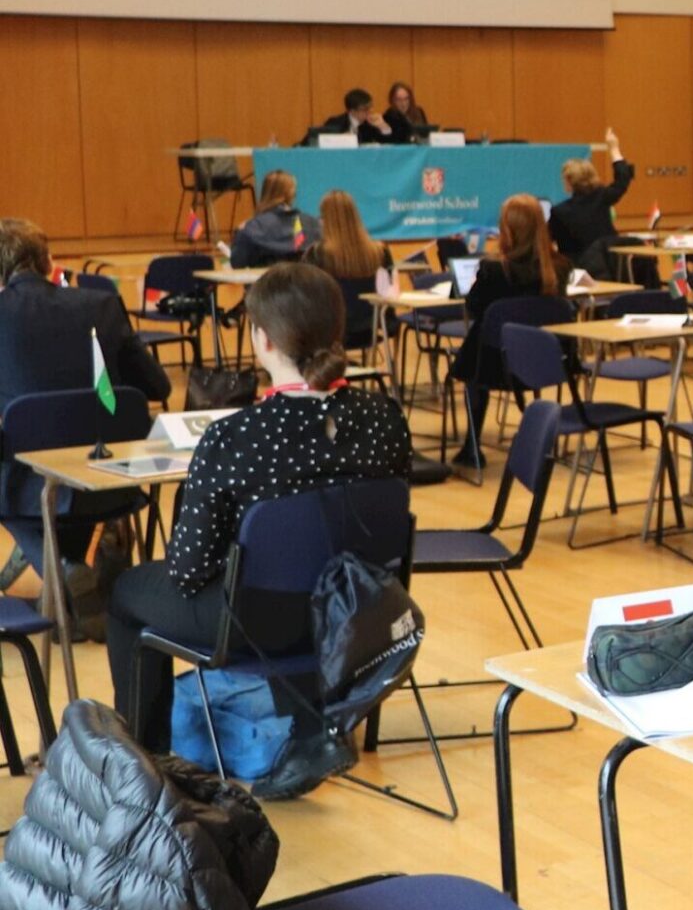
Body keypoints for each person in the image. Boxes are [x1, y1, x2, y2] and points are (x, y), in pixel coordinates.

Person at [105, 263, 411, 797]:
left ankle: (146, 765)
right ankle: (307, 730)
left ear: (262, 338)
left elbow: (188, 570)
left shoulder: (234, 436)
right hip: (356, 616)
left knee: (128, 593)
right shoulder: (385, 417)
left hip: (259, 626)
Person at [0, 219, 172, 597]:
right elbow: (158, 386)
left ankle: (61, 563)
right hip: (111, 479)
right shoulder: (102, 304)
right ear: (48, 261)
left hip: (26, 485)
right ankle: (79, 571)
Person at [451, 193, 562, 469]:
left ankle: (472, 444)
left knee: (477, 343)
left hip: (494, 366)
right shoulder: (558, 268)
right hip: (545, 363)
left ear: (506, 230)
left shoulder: (493, 269)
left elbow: (473, 307)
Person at [304, 189, 388, 354]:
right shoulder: (380, 251)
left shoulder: (317, 254)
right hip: (372, 326)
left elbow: (307, 298)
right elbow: (388, 294)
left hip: (331, 331)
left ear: (325, 220)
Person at [547, 128, 633, 277]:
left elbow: (546, 240)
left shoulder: (560, 211)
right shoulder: (603, 197)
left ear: (568, 182)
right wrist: (614, 149)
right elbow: (623, 179)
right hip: (611, 270)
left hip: (577, 274)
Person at [228, 171, 309, 267]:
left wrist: (240, 234)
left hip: (263, 280)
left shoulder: (250, 227)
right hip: (301, 280)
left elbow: (237, 262)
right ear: (292, 194)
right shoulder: (310, 224)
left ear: (264, 192)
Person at [317, 88, 392, 145]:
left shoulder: (371, 125)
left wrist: (383, 126)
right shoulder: (336, 122)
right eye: (365, 109)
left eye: (370, 107)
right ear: (352, 111)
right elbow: (313, 142)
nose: (369, 112)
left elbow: (387, 144)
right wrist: (339, 139)